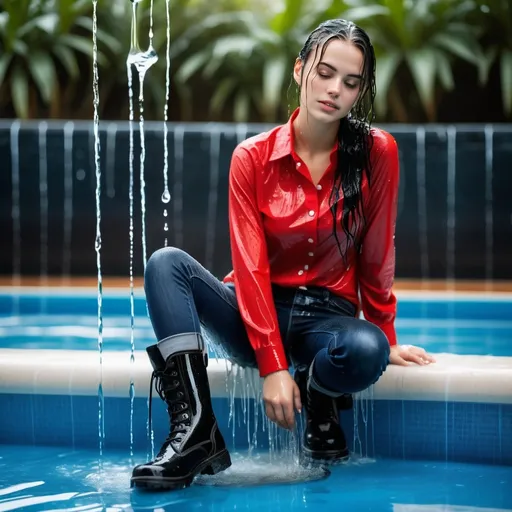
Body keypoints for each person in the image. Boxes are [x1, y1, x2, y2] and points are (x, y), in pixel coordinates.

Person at [130, 18, 435, 491]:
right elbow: (250, 267)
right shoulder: (251, 158)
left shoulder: (378, 152)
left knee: (368, 349)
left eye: (351, 83)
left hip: (326, 324)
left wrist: (386, 335)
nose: (335, 89)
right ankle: (194, 432)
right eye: (325, 72)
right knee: (165, 264)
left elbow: (377, 253)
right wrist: (272, 365)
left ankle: (319, 399)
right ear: (300, 71)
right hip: (253, 317)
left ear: (360, 93)